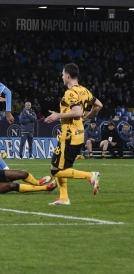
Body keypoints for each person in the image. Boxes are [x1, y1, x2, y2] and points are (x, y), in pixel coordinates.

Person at [44, 63, 102, 205]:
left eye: (63, 74)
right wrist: (86, 118)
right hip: (77, 133)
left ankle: (90, 175)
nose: (62, 76)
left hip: (69, 135)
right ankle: (63, 198)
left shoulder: (70, 93)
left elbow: (76, 111)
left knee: (56, 172)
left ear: (68, 76)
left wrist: (58, 115)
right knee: (57, 167)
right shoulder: (84, 90)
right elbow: (99, 105)